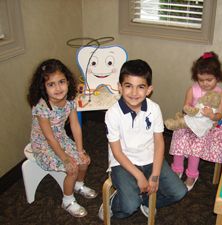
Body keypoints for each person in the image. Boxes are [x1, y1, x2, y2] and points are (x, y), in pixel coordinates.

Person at [99, 59, 187, 220]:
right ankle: (113, 203)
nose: (134, 93)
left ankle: (145, 201)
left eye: (140, 87)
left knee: (179, 192)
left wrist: (154, 175)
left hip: (149, 159)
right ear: (119, 87)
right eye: (128, 86)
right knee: (127, 207)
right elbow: (117, 152)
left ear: (149, 90)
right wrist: (139, 176)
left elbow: (160, 142)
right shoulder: (112, 113)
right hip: (123, 162)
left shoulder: (154, 109)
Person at [27, 59, 97, 218]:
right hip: (43, 143)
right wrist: (65, 158)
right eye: (51, 84)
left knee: (85, 161)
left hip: (61, 137)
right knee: (71, 168)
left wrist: (80, 150)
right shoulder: (42, 106)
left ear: (68, 81)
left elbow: (75, 126)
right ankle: (67, 200)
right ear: (43, 87)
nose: (58, 88)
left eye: (61, 82)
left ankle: (79, 185)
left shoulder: (71, 99)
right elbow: (49, 137)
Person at [169, 51, 222, 191]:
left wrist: (211, 116)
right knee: (180, 139)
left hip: (209, 126)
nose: (205, 84)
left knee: (196, 147)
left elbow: (219, 115)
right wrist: (190, 109)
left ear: (217, 77)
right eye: (201, 80)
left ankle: (192, 174)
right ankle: (177, 169)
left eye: (209, 80)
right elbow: (186, 106)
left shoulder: (220, 94)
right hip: (191, 121)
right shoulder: (193, 89)